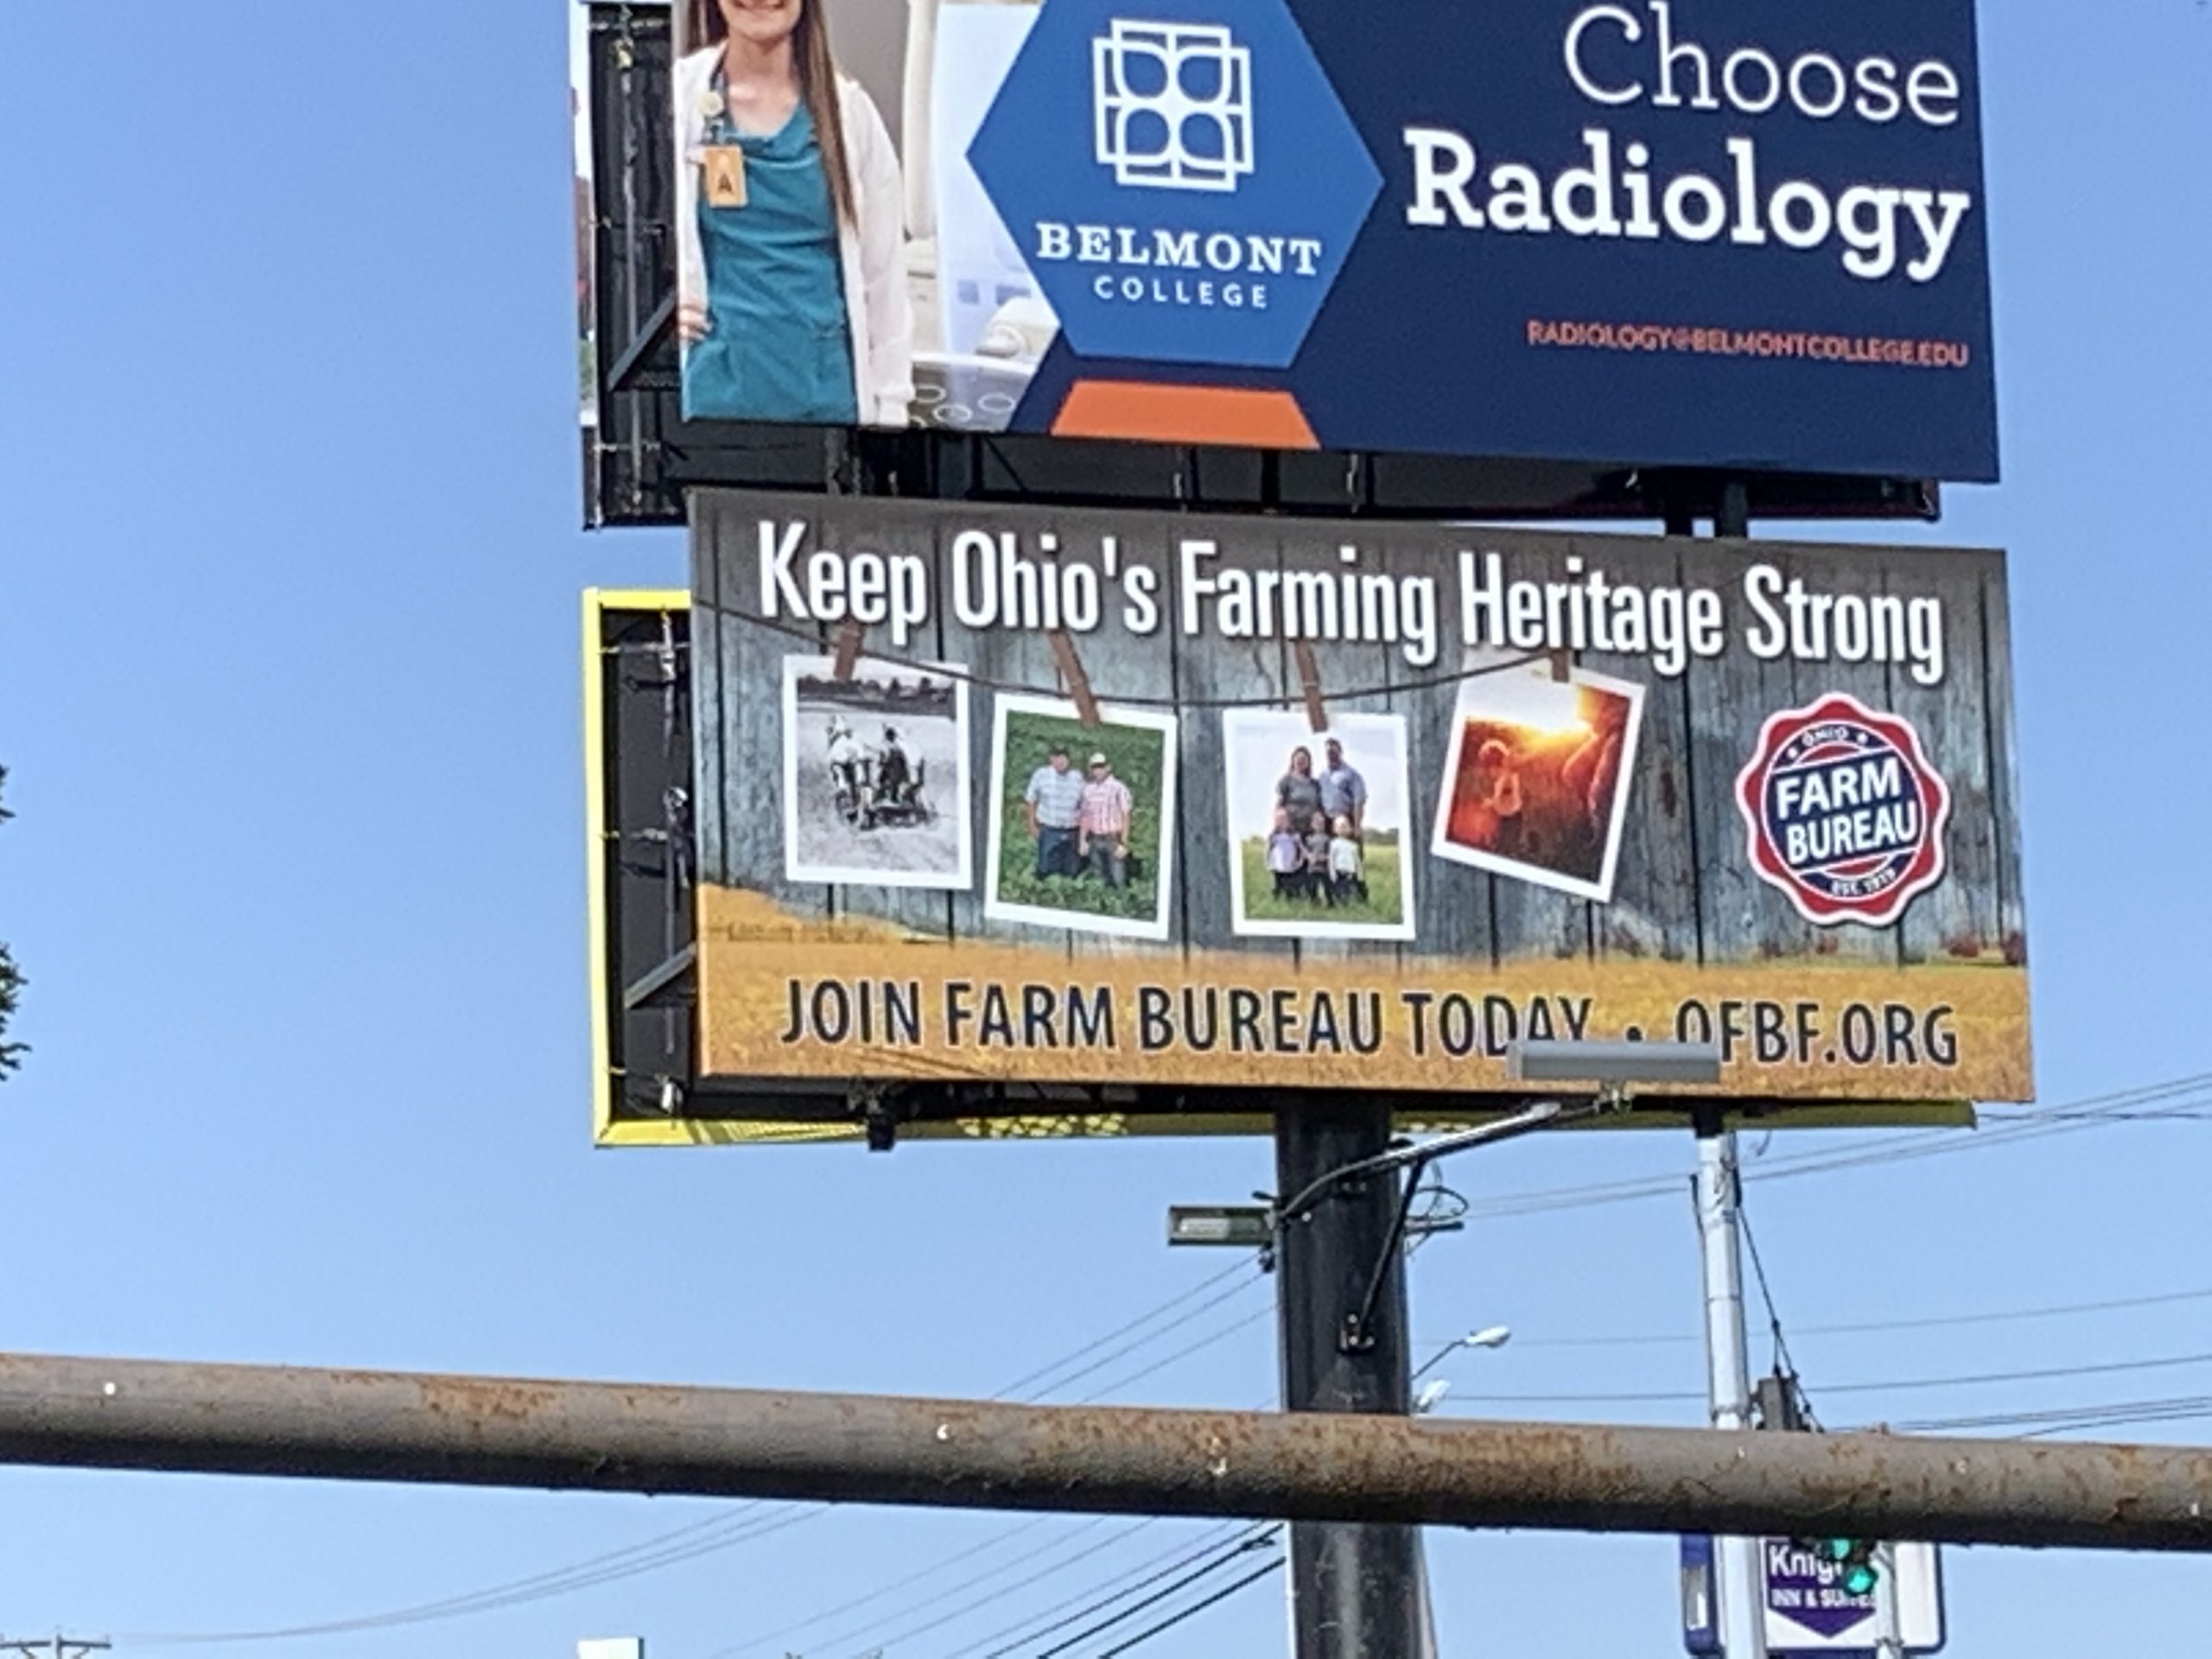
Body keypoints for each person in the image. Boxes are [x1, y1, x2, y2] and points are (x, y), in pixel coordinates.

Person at [675, 0, 913, 426]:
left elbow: (885, 284)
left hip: (828, 409)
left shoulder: (851, 116)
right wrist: (655, 315)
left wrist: (891, 413)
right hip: (712, 407)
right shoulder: (676, 100)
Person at [1022, 742, 1084, 880]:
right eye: (1056, 756)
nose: (1060, 761)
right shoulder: (1041, 774)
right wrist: (1031, 825)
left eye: (1063, 756)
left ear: (1068, 759)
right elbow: (1030, 799)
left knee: (1071, 872)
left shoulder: (1077, 777)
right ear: (1051, 759)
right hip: (1049, 830)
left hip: (1071, 830)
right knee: (1045, 870)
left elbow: (1085, 803)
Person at [1077, 752, 1135, 890]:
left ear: (1108, 767)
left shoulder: (1118, 788)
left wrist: (1124, 843)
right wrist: (1082, 841)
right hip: (1095, 839)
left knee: (1117, 879)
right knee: (1099, 878)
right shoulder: (1087, 789)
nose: (1098, 770)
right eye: (1094, 767)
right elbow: (1085, 817)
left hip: (1113, 839)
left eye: (1101, 766)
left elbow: (1125, 816)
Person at [1318, 737, 1368, 836]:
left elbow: (1359, 801)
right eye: (1328, 752)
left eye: (1334, 751)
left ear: (1340, 752)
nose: (1331, 755)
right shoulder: (1323, 776)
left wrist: (1357, 826)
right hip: (1327, 821)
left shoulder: (1351, 774)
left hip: (1346, 821)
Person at [1274, 746, 1323, 832]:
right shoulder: (1286, 780)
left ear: (1308, 763)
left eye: (1304, 759)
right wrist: (1277, 826)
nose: (1301, 761)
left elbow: (1319, 807)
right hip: (1291, 829)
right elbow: (1278, 805)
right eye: (1298, 758)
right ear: (1293, 761)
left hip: (1310, 830)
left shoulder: (1315, 784)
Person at [1328, 815, 1367, 907]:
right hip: (1339, 872)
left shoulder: (1353, 845)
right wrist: (1332, 873)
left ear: (1350, 829)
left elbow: (1357, 861)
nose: (1342, 829)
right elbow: (1331, 860)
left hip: (1350, 872)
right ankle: (1339, 903)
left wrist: (1360, 874)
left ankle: (1351, 903)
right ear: (1335, 829)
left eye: (1345, 826)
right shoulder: (1333, 844)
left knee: (1349, 890)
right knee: (1339, 890)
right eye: (1339, 827)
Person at [1265, 808, 1303, 900]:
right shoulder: (1274, 835)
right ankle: (1276, 899)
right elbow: (1268, 849)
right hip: (1277, 864)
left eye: (1284, 819)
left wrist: (1300, 861)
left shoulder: (1294, 835)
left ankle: (1289, 899)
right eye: (1280, 819)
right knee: (1277, 884)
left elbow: (1300, 849)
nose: (1282, 822)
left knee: (1289, 885)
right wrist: (1267, 861)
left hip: (1289, 864)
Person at [1301, 810, 1333, 906]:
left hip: (1324, 869)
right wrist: (1309, 856)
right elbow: (1305, 853)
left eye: (1321, 823)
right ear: (1312, 825)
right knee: (1312, 887)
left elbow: (1330, 854)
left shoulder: (1327, 838)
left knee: (1326, 887)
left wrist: (1323, 858)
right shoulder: (1309, 839)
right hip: (1312, 869)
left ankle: (1328, 903)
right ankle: (1313, 902)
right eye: (1317, 823)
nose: (1319, 825)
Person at [876, 724, 911, 802]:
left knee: (894, 782)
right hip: (891, 768)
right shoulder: (888, 745)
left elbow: (900, 758)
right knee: (883, 780)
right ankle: (885, 795)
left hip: (895, 768)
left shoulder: (897, 746)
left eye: (890, 737)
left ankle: (893, 797)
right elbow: (884, 757)